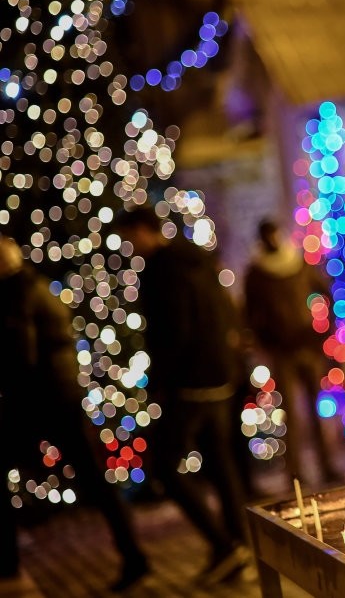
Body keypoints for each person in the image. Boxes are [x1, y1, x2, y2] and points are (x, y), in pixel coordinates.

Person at [0, 237, 150, 592]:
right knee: (96, 481)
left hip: (41, 398)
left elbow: (23, 352)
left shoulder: (17, 293)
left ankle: (7, 569)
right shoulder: (35, 285)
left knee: (90, 480)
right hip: (59, 394)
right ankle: (133, 555)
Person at [114, 206, 251, 584]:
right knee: (221, 463)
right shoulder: (199, 260)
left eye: (130, 238)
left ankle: (224, 545)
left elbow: (173, 329)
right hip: (219, 378)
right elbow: (226, 312)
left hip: (188, 383)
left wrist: (161, 379)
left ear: (143, 231)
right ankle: (238, 544)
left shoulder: (161, 269)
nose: (131, 246)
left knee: (163, 467)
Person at [244, 218, 342, 485]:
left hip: (307, 345)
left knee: (317, 411)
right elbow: (250, 314)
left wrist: (325, 331)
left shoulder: (298, 263)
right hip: (281, 350)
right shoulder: (257, 272)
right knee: (291, 414)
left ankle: (327, 465)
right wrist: (264, 341)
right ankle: (296, 472)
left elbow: (326, 294)